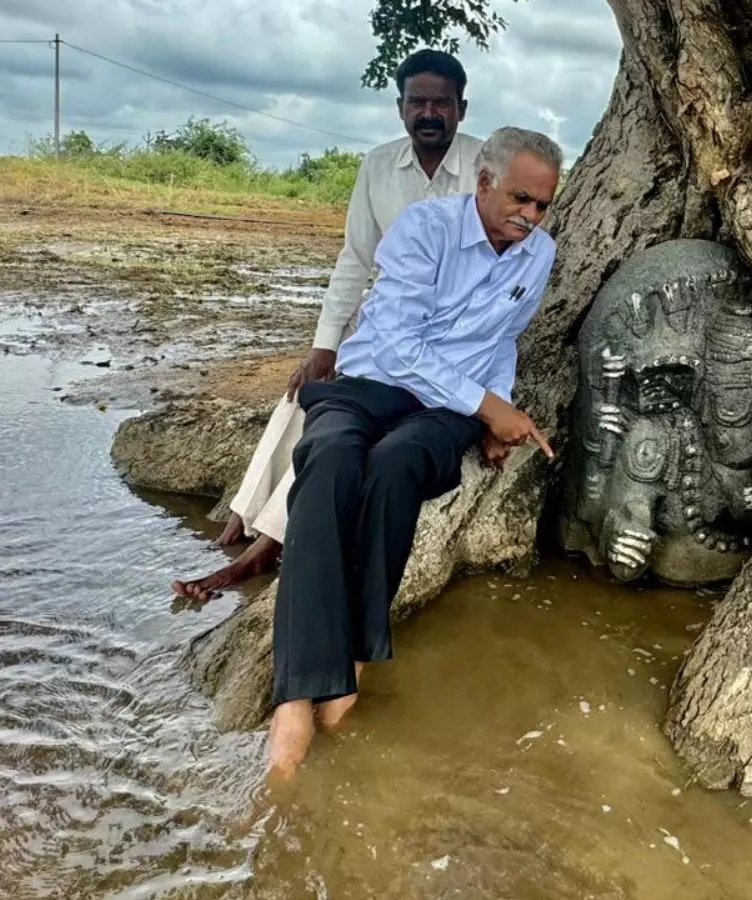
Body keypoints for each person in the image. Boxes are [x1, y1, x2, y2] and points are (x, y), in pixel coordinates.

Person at [265, 126, 562, 778]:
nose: (531, 217)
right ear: (482, 183)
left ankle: (354, 664)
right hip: (368, 383)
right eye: (520, 199)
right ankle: (295, 698)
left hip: (442, 411)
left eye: (543, 205)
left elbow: (503, 340)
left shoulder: (538, 254)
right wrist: (491, 408)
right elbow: (397, 345)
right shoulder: (424, 229)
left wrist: (491, 413)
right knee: (329, 466)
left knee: (398, 467)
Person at [171, 48, 485, 600]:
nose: (429, 112)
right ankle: (242, 518)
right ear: (400, 108)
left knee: (339, 431)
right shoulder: (378, 166)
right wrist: (325, 344)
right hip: (383, 326)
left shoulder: (487, 169)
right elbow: (354, 261)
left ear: (462, 107)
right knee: (306, 390)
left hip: (444, 341)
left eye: (441, 102)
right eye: (418, 102)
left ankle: (260, 550)